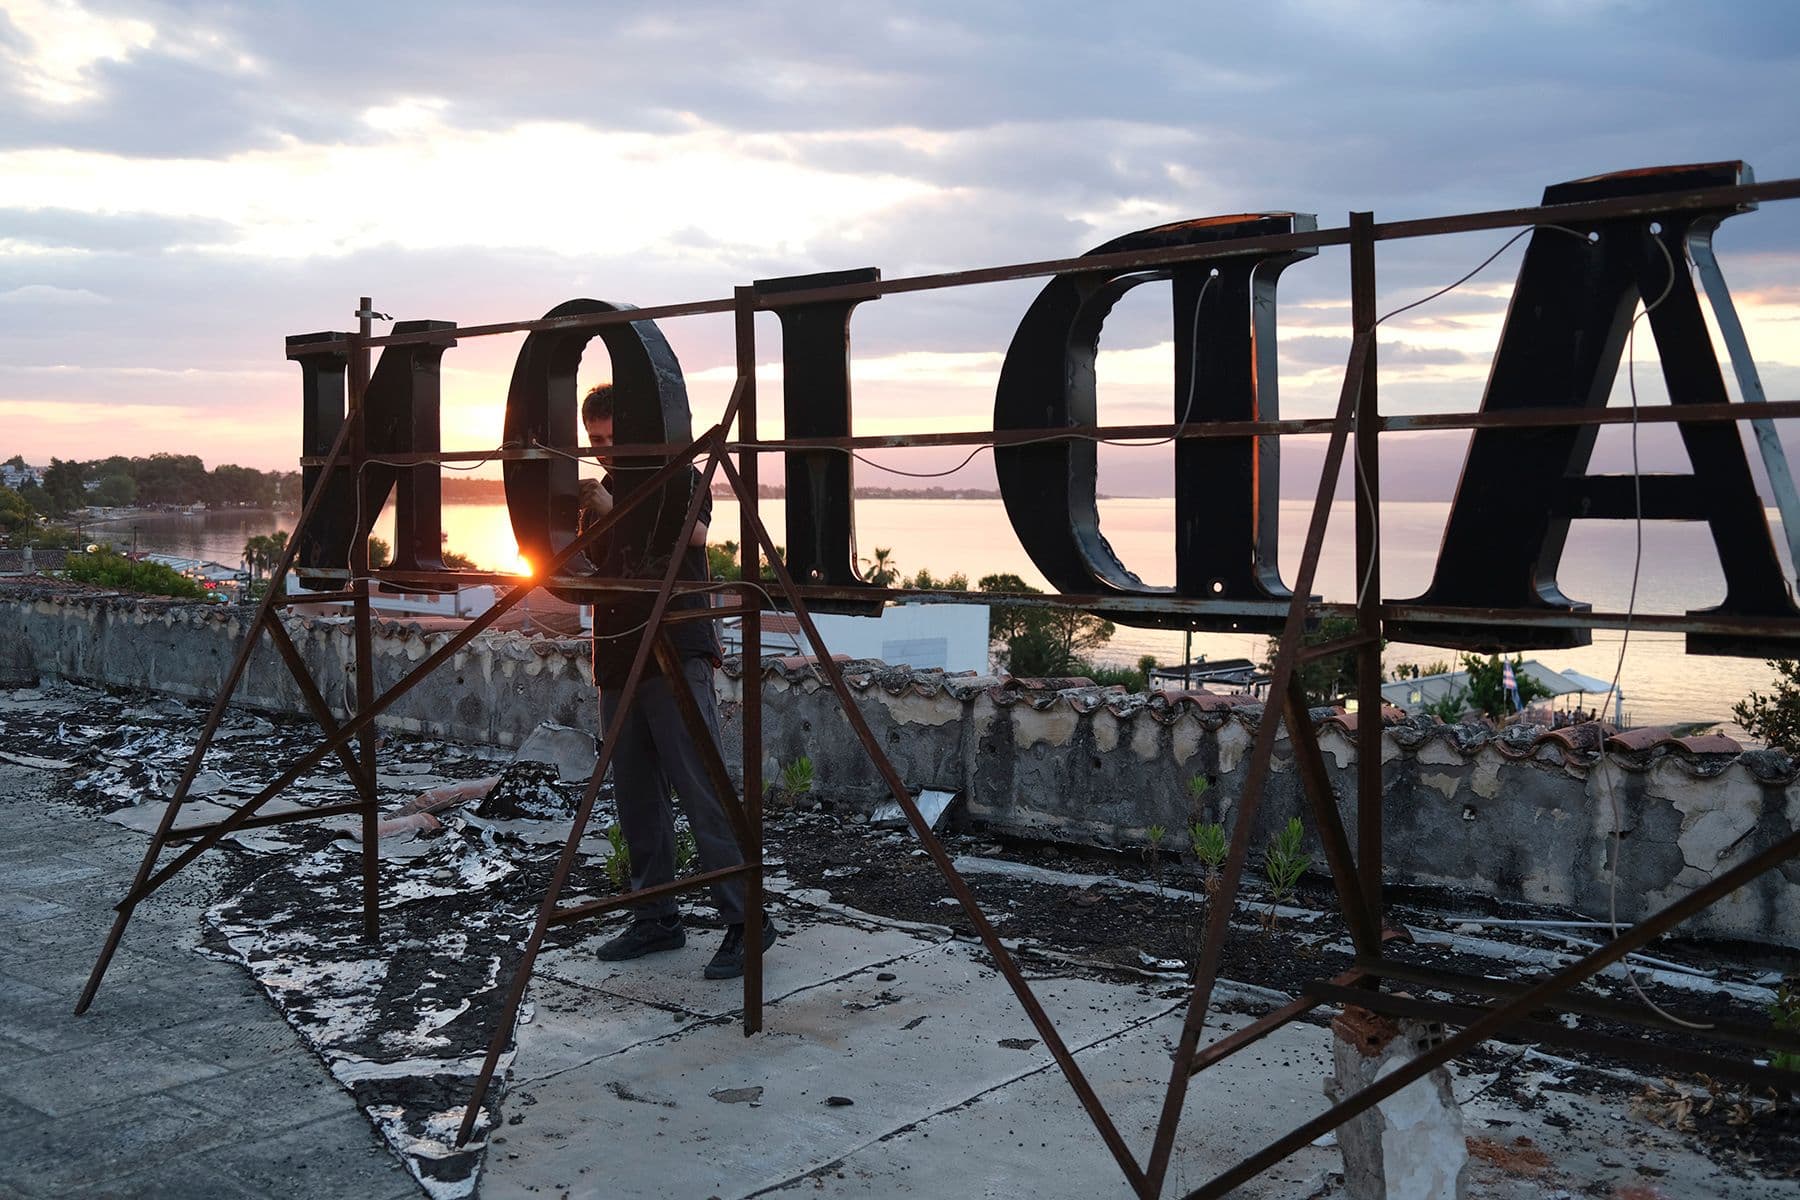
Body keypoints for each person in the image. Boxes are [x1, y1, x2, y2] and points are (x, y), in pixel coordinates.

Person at [579, 383, 776, 979]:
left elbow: (692, 536)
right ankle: (655, 916)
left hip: (675, 649)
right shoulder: (601, 493)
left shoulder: (681, 477)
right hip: (618, 653)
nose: (604, 451)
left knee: (700, 784)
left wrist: (615, 512)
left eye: (612, 439)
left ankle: (748, 918)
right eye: (595, 442)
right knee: (636, 791)